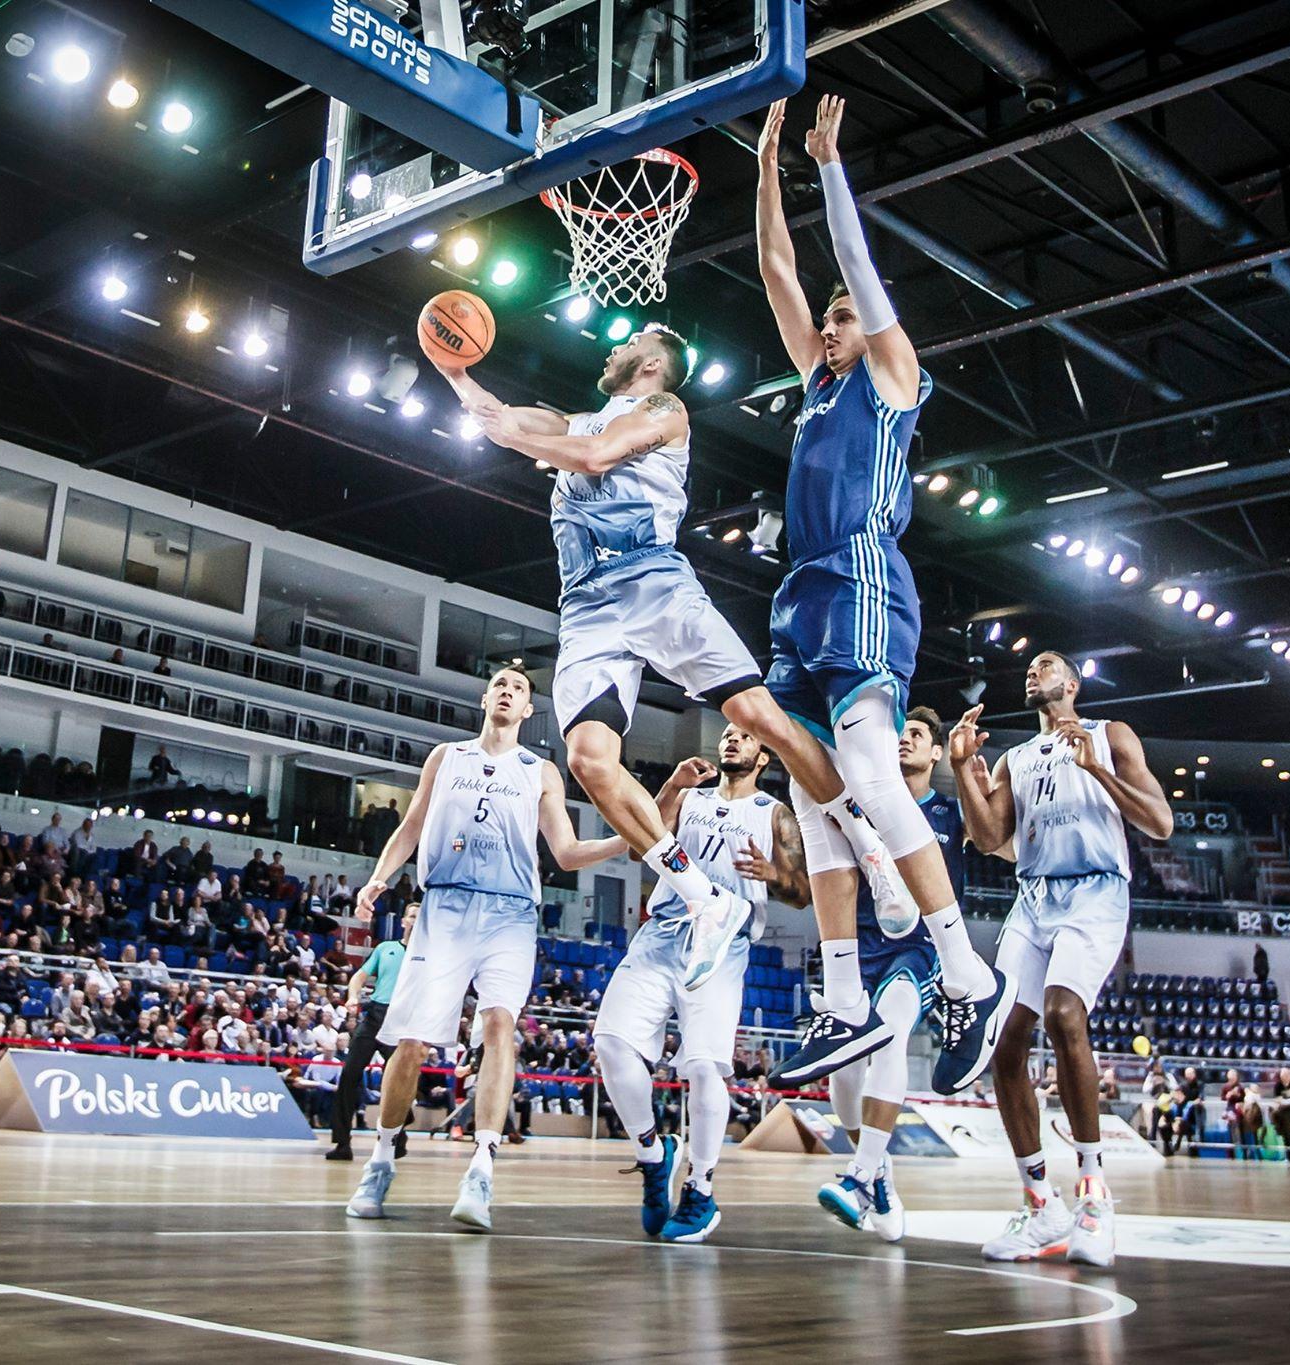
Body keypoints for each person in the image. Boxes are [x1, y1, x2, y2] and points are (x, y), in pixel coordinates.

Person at [448, 320, 950, 1049]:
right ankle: (697, 894)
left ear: (651, 363)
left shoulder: (662, 412)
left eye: (625, 344)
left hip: (652, 579)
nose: (607, 349)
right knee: (589, 760)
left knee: (761, 715)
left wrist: (519, 437)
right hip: (585, 602)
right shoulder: (573, 417)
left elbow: (592, 456)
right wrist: (455, 367)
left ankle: (866, 839)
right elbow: (502, 421)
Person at [751, 95, 1011, 1094]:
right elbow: (778, 271)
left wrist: (825, 166)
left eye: (842, 317)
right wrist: (765, 166)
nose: (828, 322)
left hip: (862, 575)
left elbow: (854, 272)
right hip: (800, 591)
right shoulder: (817, 385)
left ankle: (962, 970)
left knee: (863, 767)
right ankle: (845, 999)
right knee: (808, 789)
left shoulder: (890, 380)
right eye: (824, 320)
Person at [343, 667, 626, 1232]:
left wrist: (631, 838)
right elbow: (412, 825)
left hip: (511, 914)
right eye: (499, 683)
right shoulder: (446, 757)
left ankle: (481, 1170)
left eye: (519, 689)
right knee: (412, 1040)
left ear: (527, 711)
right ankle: (380, 1160)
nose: (507, 690)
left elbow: (566, 854)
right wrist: (378, 878)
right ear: (484, 698)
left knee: (500, 1025)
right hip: (443, 907)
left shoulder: (541, 771)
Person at [950, 648, 1172, 1268]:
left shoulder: (1110, 734)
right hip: (1034, 897)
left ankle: (1094, 1194)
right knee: (1004, 1039)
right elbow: (990, 838)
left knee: (1064, 1015)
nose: (1032, 671)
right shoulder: (1016, 759)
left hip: (1096, 891)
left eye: (1045, 665)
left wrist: (1096, 768)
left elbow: (1160, 823)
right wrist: (964, 769)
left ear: (1071, 683)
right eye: (1030, 667)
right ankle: (1039, 1202)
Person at [596, 724, 808, 1244]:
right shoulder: (688, 798)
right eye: (728, 734)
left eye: (744, 736)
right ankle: (652, 1154)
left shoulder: (774, 814)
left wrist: (771, 875)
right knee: (611, 1043)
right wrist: (669, 787)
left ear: (763, 754)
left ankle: (701, 1188)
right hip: (662, 931)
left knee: (704, 1065)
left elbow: (802, 892)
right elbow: (634, 850)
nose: (732, 739)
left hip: (725, 939)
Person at [816, 706, 965, 1243]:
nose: (905, 740)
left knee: (892, 1036)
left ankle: (858, 1178)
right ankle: (877, 1168)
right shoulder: (858, 801)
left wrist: (973, 767)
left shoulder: (952, 812)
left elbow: (1001, 835)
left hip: (918, 950)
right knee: (843, 1074)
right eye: (899, 733)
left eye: (918, 734)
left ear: (935, 752)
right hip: (857, 946)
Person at [326, 903, 417, 1162]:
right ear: (403, 921)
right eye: (411, 916)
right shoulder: (385, 948)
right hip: (374, 1015)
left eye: (420, 919)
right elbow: (359, 976)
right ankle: (342, 1143)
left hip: (403, 1021)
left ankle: (398, 1138)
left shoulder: (428, 955)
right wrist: (353, 996)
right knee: (349, 1075)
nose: (415, 921)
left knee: (402, 1083)